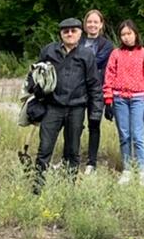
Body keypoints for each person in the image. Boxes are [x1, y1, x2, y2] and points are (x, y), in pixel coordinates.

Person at [30, 17, 102, 191]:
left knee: (72, 151)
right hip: (52, 107)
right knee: (44, 149)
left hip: (76, 108)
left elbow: (94, 85)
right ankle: (37, 188)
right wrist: (36, 89)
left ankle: (68, 189)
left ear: (80, 33)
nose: (69, 34)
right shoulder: (49, 51)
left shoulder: (87, 55)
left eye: (73, 31)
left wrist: (96, 113)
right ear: (60, 33)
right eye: (65, 31)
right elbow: (34, 75)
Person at [103, 20, 144, 186]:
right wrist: (108, 100)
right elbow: (109, 76)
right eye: (123, 34)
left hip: (138, 98)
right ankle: (127, 169)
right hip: (120, 98)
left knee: (137, 135)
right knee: (124, 135)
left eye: (129, 34)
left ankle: (141, 171)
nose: (126, 37)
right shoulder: (116, 54)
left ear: (135, 34)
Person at [80, 9, 114, 174]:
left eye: (95, 22)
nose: (92, 25)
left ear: (101, 25)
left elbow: (97, 63)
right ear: (85, 24)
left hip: (97, 90)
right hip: (77, 90)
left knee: (94, 124)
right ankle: (70, 157)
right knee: (75, 125)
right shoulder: (77, 40)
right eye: (89, 22)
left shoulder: (107, 45)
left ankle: (91, 162)